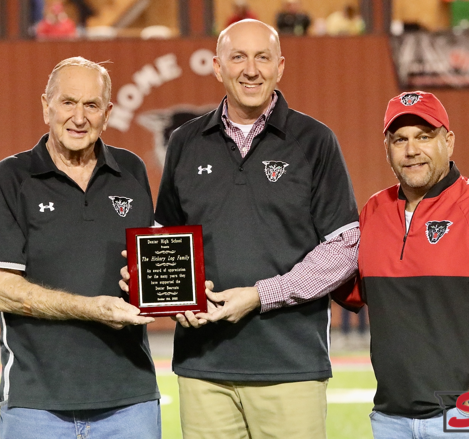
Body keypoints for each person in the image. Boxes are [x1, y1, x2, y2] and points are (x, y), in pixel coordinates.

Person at [129, 19, 360, 439]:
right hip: (203, 369)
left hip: (290, 368)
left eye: (262, 57)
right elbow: (166, 238)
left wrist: (259, 295)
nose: (250, 69)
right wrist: (159, 290)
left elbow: (344, 247)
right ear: (218, 67)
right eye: (238, 57)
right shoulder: (184, 141)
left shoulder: (314, 140)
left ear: (280, 67)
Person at [333, 91, 469, 438]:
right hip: (391, 420)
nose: (411, 149)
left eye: (424, 136)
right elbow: (345, 287)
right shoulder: (374, 211)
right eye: (400, 139)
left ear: (448, 141)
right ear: (386, 147)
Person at [0, 57, 160, 439]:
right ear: (46, 106)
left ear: (107, 113)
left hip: (129, 400)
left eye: (91, 105)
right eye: (68, 102)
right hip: (36, 404)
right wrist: (90, 309)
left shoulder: (132, 170)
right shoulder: (11, 177)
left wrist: (177, 294)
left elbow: (152, 266)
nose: (79, 117)